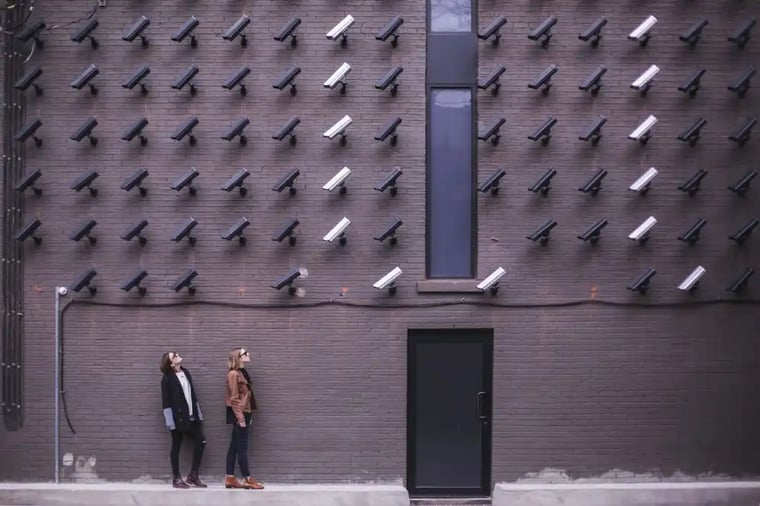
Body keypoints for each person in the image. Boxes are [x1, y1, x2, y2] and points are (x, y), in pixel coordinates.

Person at [160, 351, 207, 489]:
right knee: (176, 446)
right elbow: (166, 402)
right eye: (174, 356)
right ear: (170, 363)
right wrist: (170, 422)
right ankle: (176, 478)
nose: (177, 355)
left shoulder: (186, 372)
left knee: (201, 442)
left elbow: (192, 394)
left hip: (191, 417)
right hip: (177, 418)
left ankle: (193, 475)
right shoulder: (167, 379)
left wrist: (198, 413)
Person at [224, 347, 264, 490]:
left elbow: (247, 396)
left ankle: (230, 477)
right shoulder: (234, 374)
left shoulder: (241, 372)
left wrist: (248, 415)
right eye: (245, 353)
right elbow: (234, 398)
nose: (248, 354)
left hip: (244, 412)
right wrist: (241, 418)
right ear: (238, 358)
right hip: (239, 413)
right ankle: (247, 478)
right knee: (242, 447)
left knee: (234, 446)